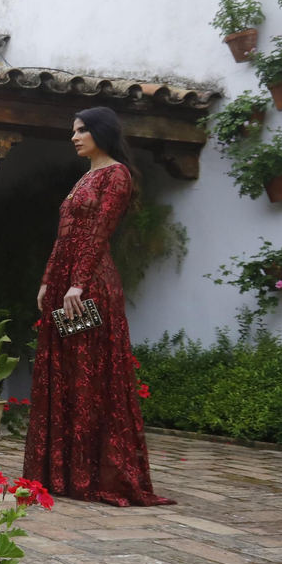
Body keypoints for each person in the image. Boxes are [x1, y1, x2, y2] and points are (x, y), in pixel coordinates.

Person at [22, 106, 174, 507]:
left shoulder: (116, 175)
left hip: (90, 288)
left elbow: (99, 232)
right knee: (67, 373)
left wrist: (77, 283)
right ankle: (66, 473)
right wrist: (47, 280)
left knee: (91, 375)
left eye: (82, 130)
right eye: (73, 130)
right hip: (65, 286)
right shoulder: (85, 177)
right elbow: (65, 236)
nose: (74, 137)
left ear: (101, 132)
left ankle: (97, 475)